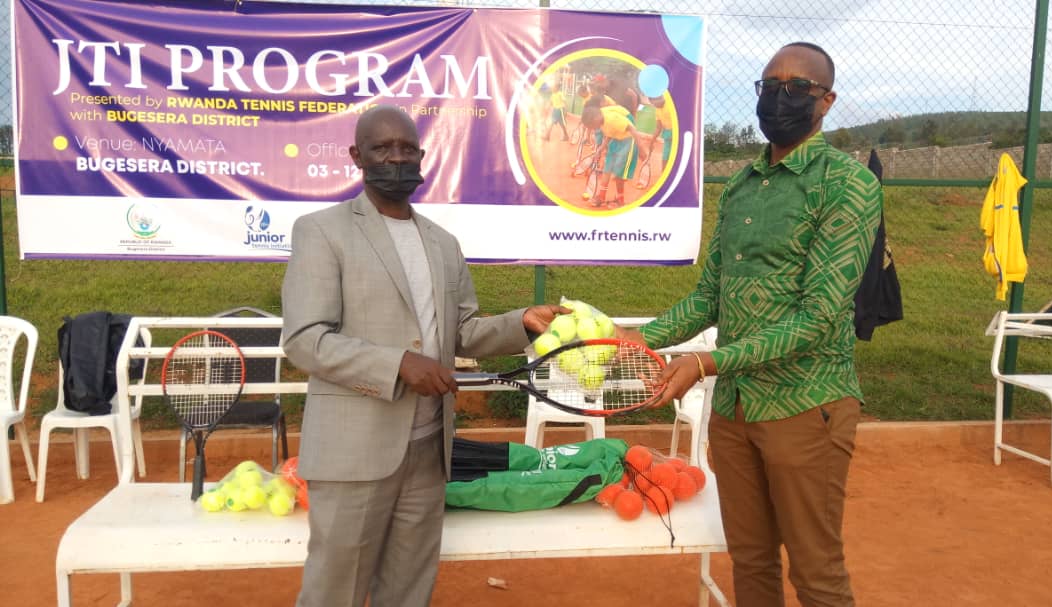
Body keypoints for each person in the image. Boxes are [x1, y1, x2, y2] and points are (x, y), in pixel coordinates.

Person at [620, 42, 881, 606]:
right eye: (770, 85)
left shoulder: (848, 185)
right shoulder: (741, 186)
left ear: (826, 101)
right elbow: (711, 295)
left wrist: (706, 362)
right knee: (751, 561)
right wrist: (644, 338)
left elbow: (818, 317)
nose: (780, 97)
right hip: (736, 411)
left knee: (816, 572)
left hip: (806, 407)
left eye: (797, 87)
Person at [282, 105, 565, 607]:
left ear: (421, 155)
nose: (396, 158)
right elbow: (306, 338)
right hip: (356, 453)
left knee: (408, 591)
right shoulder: (321, 230)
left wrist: (520, 322)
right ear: (357, 157)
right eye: (382, 149)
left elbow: (461, 332)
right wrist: (397, 365)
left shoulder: (443, 243)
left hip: (430, 451)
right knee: (334, 592)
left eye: (406, 149)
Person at [579, 103, 652, 209]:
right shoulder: (601, 121)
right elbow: (610, 133)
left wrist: (641, 150)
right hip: (616, 139)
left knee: (619, 174)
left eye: (592, 126)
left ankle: (620, 200)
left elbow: (632, 129)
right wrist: (600, 149)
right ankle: (601, 196)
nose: (594, 129)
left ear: (595, 119)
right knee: (607, 169)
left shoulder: (612, 119)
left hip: (628, 139)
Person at [649, 95, 674, 164]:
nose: (654, 106)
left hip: (676, 134)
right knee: (665, 157)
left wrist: (675, 135)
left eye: (654, 103)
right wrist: (652, 141)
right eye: (652, 104)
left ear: (660, 98)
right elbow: (658, 128)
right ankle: (664, 173)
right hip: (667, 135)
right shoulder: (657, 110)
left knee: (675, 157)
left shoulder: (671, 105)